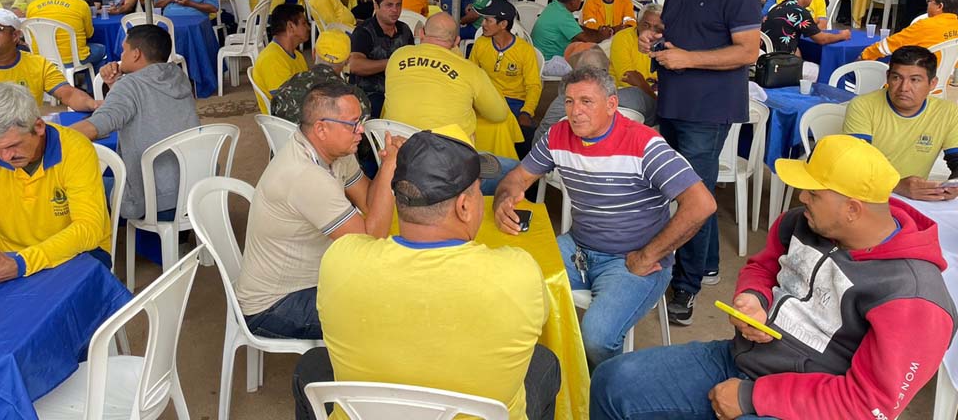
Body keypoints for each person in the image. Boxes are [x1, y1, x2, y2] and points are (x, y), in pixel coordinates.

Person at [590, 134, 958, 420]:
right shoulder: (801, 222)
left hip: (813, 405)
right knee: (613, 381)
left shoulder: (914, 298)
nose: (801, 196)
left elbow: (868, 405)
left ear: (852, 209)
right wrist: (754, 298)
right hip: (741, 358)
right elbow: (763, 267)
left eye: (813, 192)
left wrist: (751, 397)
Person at [293, 124, 560, 420]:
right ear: (464, 207)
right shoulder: (518, 274)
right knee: (544, 363)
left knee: (311, 366)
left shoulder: (339, 261)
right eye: (476, 191)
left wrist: (390, 164)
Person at [494, 66, 714, 367]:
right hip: (578, 249)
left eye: (587, 101)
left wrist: (649, 255)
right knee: (510, 290)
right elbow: (516, 179)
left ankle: (600, 395)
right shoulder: (558, 136)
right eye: (569, 101)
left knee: (597, 338)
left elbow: (701, 204)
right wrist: (504, 201)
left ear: (611, 105)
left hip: (633, 259)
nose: (575, 111)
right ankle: (548, 378)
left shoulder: (644, 144)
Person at [637, 0, 761, 326]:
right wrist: (653, 38)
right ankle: (706, 266)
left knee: (692, 196)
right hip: (674, 101)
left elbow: (747, 52)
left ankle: (685, 287)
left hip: (706, 111)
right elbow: (681, 32)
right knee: (691, 188)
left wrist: (688, 59)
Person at [236, 81, 401, 340]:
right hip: (274, 305)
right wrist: (390, 165)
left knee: (392, 284)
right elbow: (371, 240)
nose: (361, 131)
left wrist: (388, 163)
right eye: (353, 124)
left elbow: (369, 202)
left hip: (310, 280)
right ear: (322, 129)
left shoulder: (337, 152)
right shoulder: (305, 176)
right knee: (386, 310)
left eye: (362, 121)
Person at [69, 25, 199, 220]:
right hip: (193, 188)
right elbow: (143, 106)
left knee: (77, 184)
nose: (121, 55)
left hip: (153, 199)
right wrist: (114, 84)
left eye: (124, 50)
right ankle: (176, 240)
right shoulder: (177, 75)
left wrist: (50, 136)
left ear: (136, 54)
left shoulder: (130, 86)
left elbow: (99, 125)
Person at [0, 82, 111, 280]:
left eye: (13, 145)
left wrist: (23, 263)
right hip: (9, 258)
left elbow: (88, 229)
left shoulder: (75, 150)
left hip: (74, 254)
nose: (5, 157)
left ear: (39, 126)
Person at [844, 45, 958, 201]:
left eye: (915, 80)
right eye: (896, 78)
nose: (904, 88)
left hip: (914, 200)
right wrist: (897, 186)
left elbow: (956, 160)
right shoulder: (863, 106)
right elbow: (856, 166)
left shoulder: (947, 112)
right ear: (887, 77)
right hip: (864, 195)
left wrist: (953, 186)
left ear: (932, 84)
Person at [383, 12, 508, 141]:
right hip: (447, 155)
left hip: (396, 148)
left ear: (421, 33)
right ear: (457, 42)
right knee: (507, 161)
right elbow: (499, 114)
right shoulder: (470, 70)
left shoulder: (398, 56)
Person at [0, 9, 98, 111]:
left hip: (25, 125)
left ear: (15, 35)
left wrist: (94, 105)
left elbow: (69, 94)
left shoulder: (37, 65)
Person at [469, 0, 541, 131]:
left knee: (525, 134)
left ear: (503, 24)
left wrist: (526, 112)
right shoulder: (480, 44)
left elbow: (533, 86)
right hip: (488, 99)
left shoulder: (524, 50)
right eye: (484, 19)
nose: (483, 24)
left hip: (515, 102)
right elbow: (471, 74)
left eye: (488, 21)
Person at [761, 0, 850, 79]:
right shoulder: (800, 12)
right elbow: (822, 39)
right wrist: (842, 35)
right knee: (823, 72)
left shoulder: (777, 7)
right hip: (781, 64)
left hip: (766, 59)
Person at [271, 30, 371, 124]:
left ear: (314, 53)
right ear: (347, 61)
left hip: (289, 141)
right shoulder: (356, 97)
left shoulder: (287, 87)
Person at [349, 0, 415, 118]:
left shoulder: (404, 30)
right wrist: (393, 62)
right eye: (389, 5)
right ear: (376, 6)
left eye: (398, 5)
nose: (395, 10)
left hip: (399, 90)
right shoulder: (364, 31)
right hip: (369, 94)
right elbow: (356, 66)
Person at [26, 0, 104, 68]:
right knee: (101, 49)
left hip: (42, 59)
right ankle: (91, 82)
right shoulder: (81, 5)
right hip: (74, 59)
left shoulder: (32, 6)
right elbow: (89, 34)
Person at [861, 0, 958, 60]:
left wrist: (865, 55)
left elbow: (889, 45)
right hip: (942, 80)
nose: (927, 4)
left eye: (929, 0)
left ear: (940, 6)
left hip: (914, 79)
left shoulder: (925, 25)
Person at [251, 4, 310, 114]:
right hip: (286, 120)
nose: (308, 27)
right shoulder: (272, 58)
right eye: (304, 23)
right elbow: (286, 102)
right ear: (291, 26)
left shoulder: (297, 55)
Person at [531, 0, 611, 60]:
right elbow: (586, 38)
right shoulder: (563, 16)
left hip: (541, 56)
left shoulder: (556, 6)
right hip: (549, 62)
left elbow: (578, 29)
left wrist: (597, 32)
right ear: (573, 2)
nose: (581, 0)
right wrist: (602, 36)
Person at [609, 3, 662, 110]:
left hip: (655, 92)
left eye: (656, 27)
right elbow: (628, 77)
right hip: (626, 92)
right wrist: (652, 94)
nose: (651, 31)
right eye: (646, 25)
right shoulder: (622, 38)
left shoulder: (664, 41)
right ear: (637, 23)